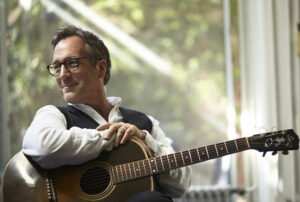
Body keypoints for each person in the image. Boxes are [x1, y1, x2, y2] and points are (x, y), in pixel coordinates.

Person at [22, 25, 191, 202]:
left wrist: (145, 139)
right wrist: (109, 136)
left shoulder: (145, 123)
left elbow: (180, 185)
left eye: (72, 63)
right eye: (57, 66)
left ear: (100, 68)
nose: (62, 75)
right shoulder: (53, 115)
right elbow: (44, 145)